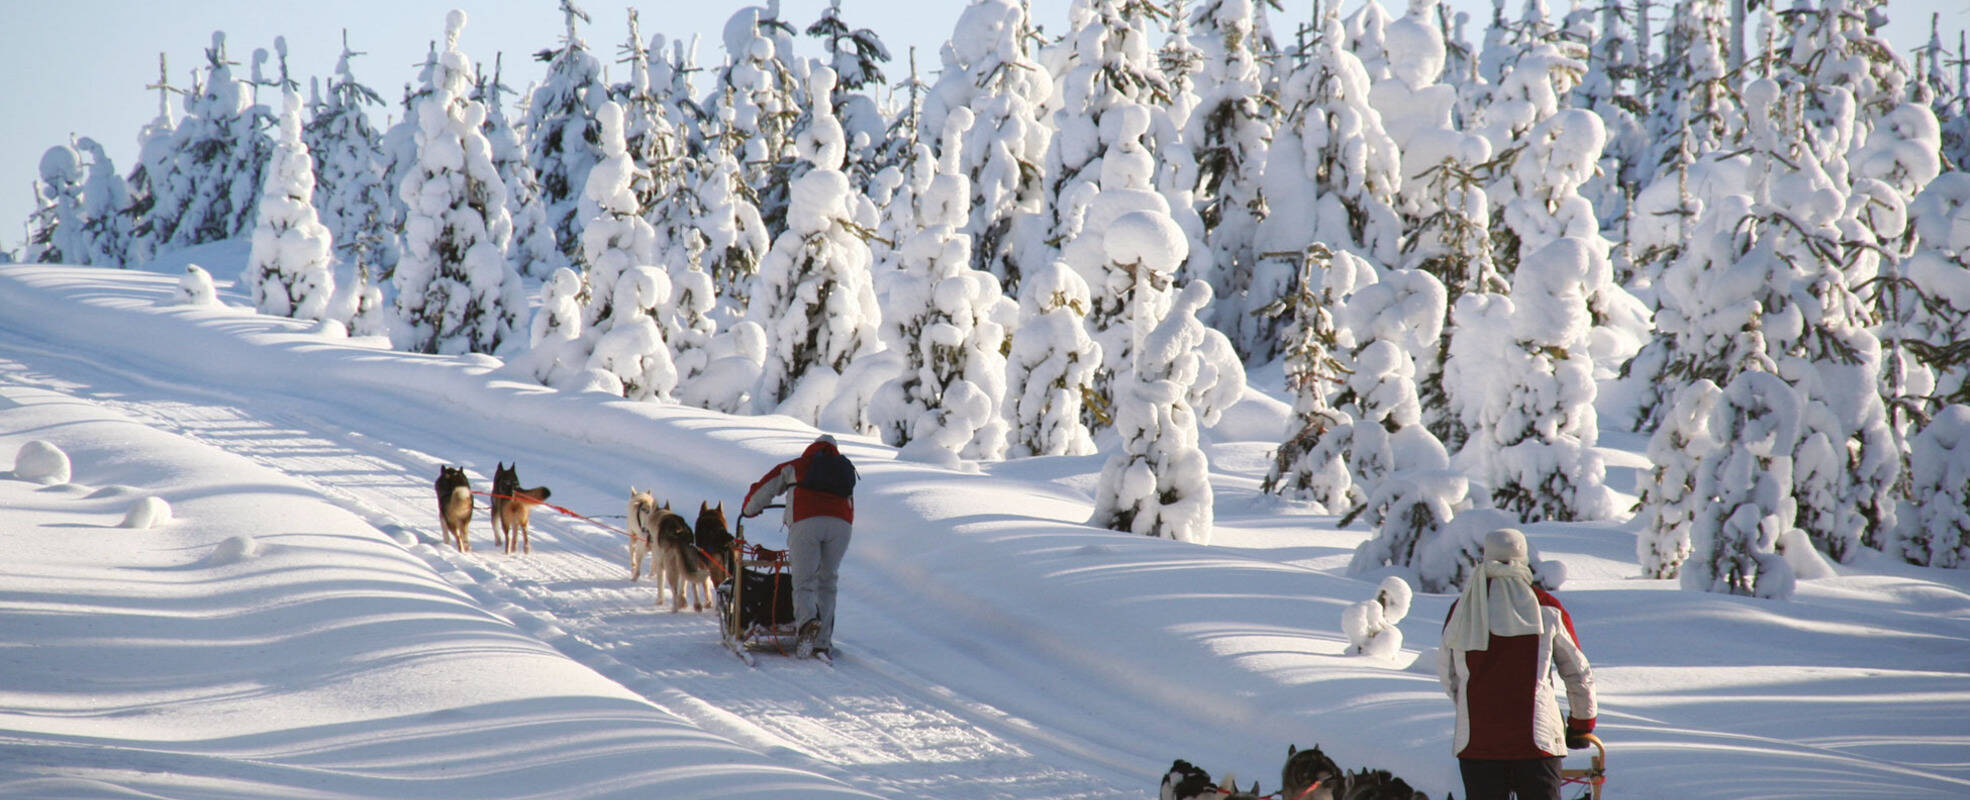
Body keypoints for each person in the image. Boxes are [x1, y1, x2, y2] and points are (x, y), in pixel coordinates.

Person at [1437, 528, 1597, 800]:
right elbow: (1577, 672)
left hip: (1478, 743)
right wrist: (1581, 724)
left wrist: (1474, 708)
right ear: (1523, 559)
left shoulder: (1463, 609)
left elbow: (1449, 673)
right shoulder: (1547, 607)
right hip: (1538, 743)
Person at [741, 434, 855, 660]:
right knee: (828, 580)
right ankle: (822, 642)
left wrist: (749, 510)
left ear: (811, 449)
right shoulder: (845, 469)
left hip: (806, 521)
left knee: (804, 580)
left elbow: (765, 488)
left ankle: (806, 626)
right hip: (841, 525)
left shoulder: (798, 465)